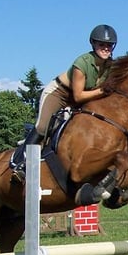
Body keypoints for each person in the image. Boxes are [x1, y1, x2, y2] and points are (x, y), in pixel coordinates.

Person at [10, 24, 118, 181]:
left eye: (109, 45)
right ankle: (20, 163)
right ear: (93, 44)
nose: (106, 48)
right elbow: (78, 96)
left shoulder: (110, 66)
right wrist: (102, 92)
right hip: (59, 94)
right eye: (102, 44)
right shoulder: (82, 63)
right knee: (43, 127)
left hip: (82, 98)